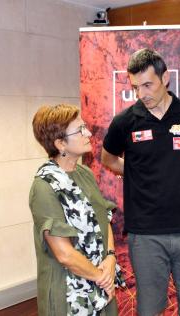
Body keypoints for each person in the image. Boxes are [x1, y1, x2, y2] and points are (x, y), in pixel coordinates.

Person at [101, 48, 180, 316]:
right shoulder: (125, 122)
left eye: (148, 85)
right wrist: (133, 171)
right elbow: (107, 158)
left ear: (165, 79)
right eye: (135, 87)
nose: (142, 94)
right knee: (150, 309)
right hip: (145, 236)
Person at [29, 104, 118, 316]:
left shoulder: (84, 173)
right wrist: (101, 276)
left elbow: (104, 218)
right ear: (60, 143)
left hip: (100, 282)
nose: (88, 133)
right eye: (80, 130)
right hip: (69, 293)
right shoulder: (44, 186)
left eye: (84, 127)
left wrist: (111, 257)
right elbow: (64, 254)